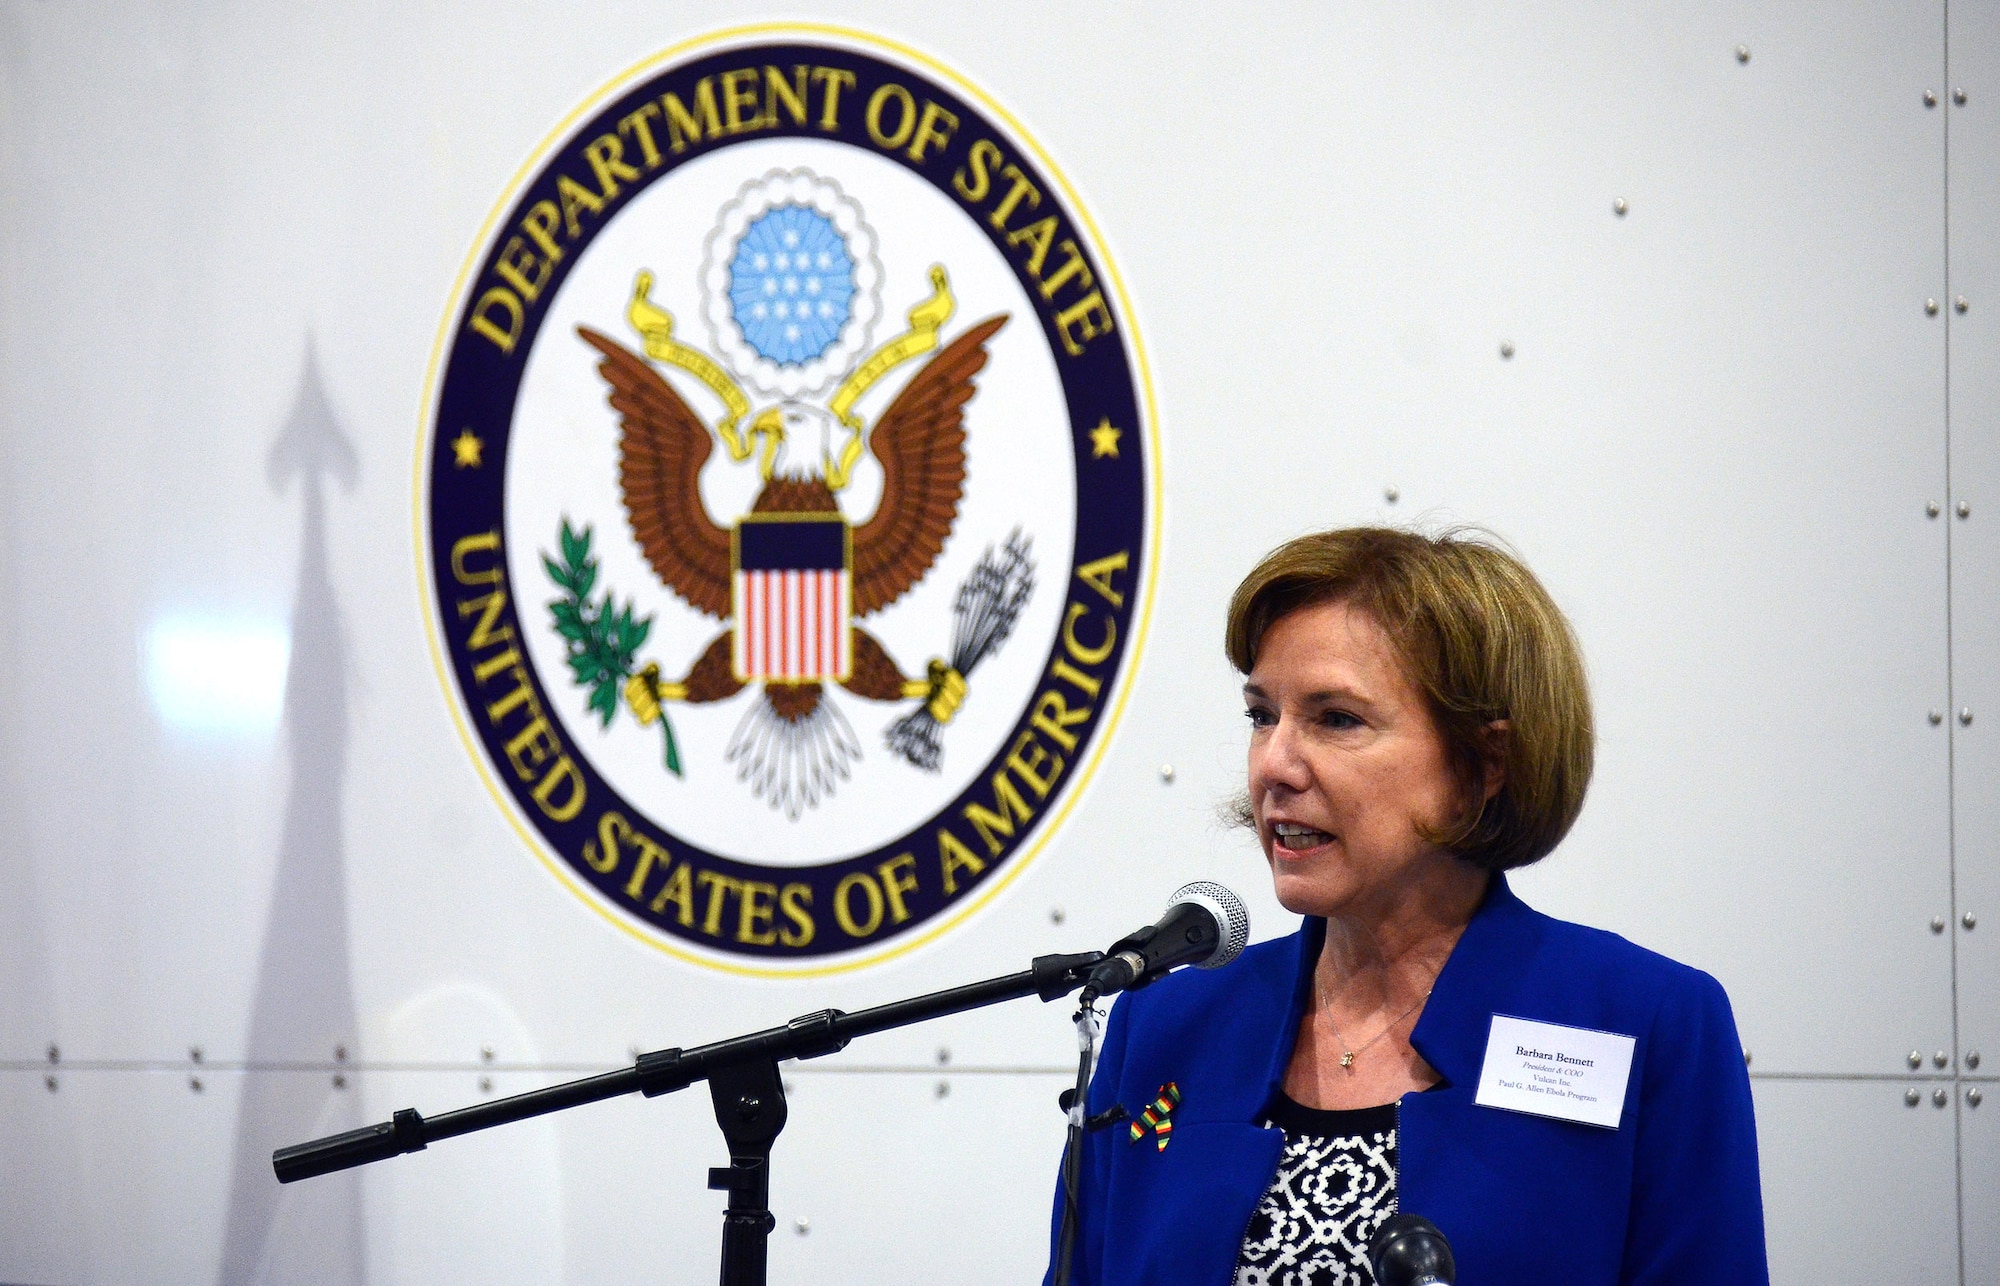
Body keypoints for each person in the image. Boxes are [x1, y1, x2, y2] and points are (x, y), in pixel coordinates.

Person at [1045, 527, 1766, 1285]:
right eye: (1263, 716)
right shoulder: (1161, 1027)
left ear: (1485, 763)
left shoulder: (1648, 1022)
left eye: (1336, 719)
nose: (1275, 765)